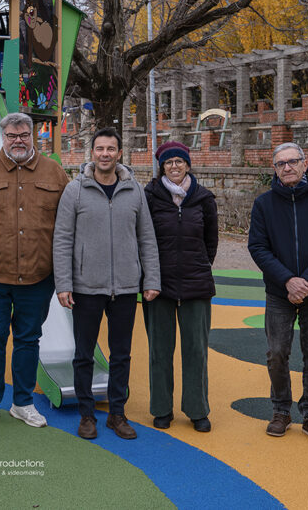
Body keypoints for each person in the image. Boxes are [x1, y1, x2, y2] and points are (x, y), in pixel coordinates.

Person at [0, 112, 69, 428]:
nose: (17, 141)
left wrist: (63, 271)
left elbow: (67, 225)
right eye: (11, 136)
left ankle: (22, 402)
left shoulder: (54, 173)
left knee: (28, 339)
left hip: (38, 275)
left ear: (34, 136)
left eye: (23, 135)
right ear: (2, 137)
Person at [52, 128, 160, 440]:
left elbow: (147, 238)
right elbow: (62, 240)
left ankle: (117, 413)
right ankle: (87, 414)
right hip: (87, 286)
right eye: (100, 148)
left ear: (119, 154)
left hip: (125, 287)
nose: (105, 154)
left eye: (111, 149)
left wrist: (151, 278)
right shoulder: (75, 191)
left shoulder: (134, 190)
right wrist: (64, 283)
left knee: (121, 354)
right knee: (84, 353)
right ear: (93, 153)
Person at [248, 142, 308, 446]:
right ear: (273, 168)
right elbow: (258, 248)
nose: (287, 168)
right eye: (280, 164)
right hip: (279, 292)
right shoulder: (264, 204)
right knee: (276, 353)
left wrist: (305, 282)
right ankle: (281, 410)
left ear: (306, 163)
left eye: (293, 162)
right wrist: (288, 280)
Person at [142, 141, 218, 433]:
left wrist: (198, 265)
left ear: (188, 164)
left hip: (196, 284)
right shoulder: (149, 197)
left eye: (179, 161)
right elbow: (143, 238)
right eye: (168, 162)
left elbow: (210, 241)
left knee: (196, 349)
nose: (174, 166)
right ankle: (162, 408)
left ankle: (197, 409)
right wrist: (149, 276)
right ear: (161, 166)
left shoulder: (203, 198)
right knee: (160, 349)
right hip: (158, 285)